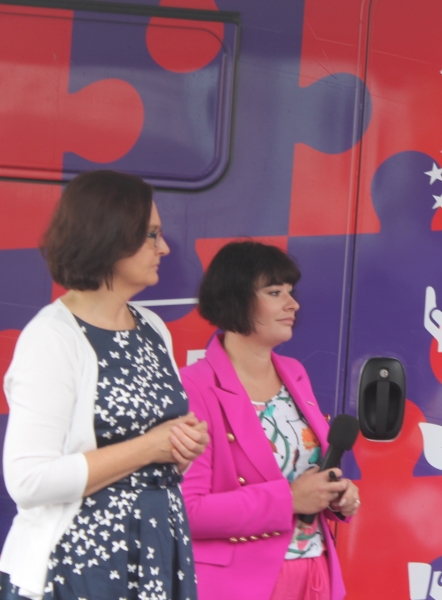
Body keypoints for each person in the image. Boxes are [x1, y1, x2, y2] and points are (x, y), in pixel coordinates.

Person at [0, 170, 210, 600]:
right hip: (79, 565)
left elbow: (156, 452)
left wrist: (181, 448)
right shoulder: (52, 337)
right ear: (110, 236)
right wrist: (151, 447)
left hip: (156, 549)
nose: (164, 248)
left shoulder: (152, 328)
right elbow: (29, 479)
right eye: (151, 235)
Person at [181, 241, 360, 600]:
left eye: (291, 292)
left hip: (316, 571)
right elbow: (187, 510)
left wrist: (338, 496)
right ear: (235, 298)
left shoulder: (294, 372)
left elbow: (304, 472)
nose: (293, 304)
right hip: (242, 584)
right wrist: (289, 500)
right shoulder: (193, 385)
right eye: (275, 292)